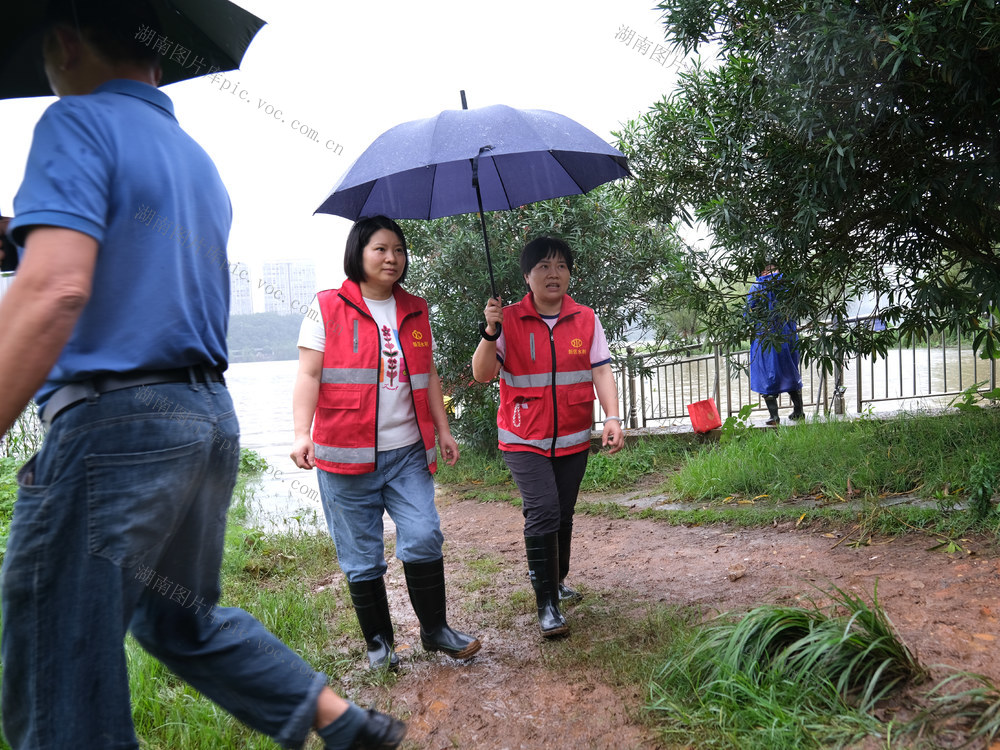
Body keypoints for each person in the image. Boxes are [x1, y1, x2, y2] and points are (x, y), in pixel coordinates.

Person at [0, 3, 405, 749]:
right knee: (178, 617)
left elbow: (56, 288)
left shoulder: (74, 123)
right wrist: (24, 236)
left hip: (112, 433)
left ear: (63, 40)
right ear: (161, 59)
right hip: (205, 421)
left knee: (58, 662)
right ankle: (341, 723)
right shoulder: (195, 161)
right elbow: (130, 266)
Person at [291, 215, 480, 671]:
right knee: (361, 555)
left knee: (423, 534)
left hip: (408, 452)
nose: (392, 258)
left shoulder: (416, 309)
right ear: (358, 252)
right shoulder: (326, 307)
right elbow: (309, 374)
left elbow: (428, 375)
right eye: (380, 248)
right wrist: (301, 433)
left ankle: (435, 632)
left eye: (398, 249)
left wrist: (445, 429)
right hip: (344, 455)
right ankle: (380, 644)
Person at [471, 236, 624, 638]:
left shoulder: (586, 318)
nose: (553, 273)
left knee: (564, 512)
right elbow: (482, 374)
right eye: (543, 266)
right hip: (523, 436)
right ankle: (547, 606)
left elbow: (601, 371)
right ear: (527, 276)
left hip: (573, 436)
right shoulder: (507, 320)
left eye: (560, 265)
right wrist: (490, 331)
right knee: (543, 511)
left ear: (570, 273)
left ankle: (555, 580)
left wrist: (613, 417)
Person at [747, 264, 804, 425]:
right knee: (790, 371)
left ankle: (774, 417)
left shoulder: (757, 287)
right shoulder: (788, 284)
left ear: (763, 272)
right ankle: (799, 411)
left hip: (766, 338)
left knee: (766, 375)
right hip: (789, 337)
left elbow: (749, 312)